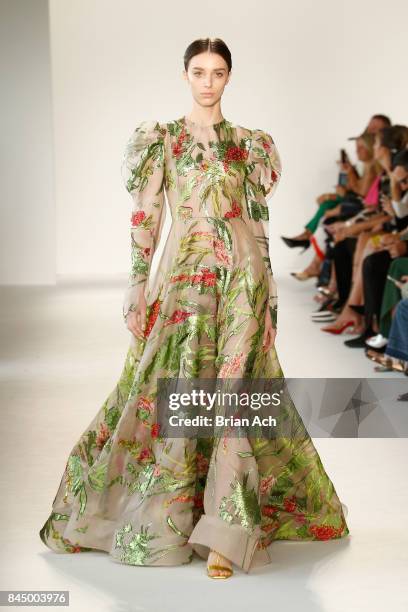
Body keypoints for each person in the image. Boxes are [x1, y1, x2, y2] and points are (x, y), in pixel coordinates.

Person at [39, 37, 349, 580]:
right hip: (184, 281)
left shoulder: (250, 144)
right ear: (185, 75)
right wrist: (137, 287)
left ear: (230, 78)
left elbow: (258, 226)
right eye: (200, 71)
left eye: (219, 72)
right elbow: (146, 219)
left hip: (243, 283)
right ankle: (177, 515)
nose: (209, 81)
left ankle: (228, 535)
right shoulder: (161, 141)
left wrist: (270, 297)